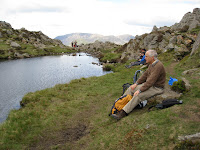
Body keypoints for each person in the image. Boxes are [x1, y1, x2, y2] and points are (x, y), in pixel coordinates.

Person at [111, 50, 166, 120]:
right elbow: (145, 75)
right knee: (131, 88)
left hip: (157, 88)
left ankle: (123, 113)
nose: (144, 58)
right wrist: (136, 84)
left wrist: (140, 90)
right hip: (150, 85)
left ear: (152, 58)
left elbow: (150, 82)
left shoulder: (158, 66)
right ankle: (121, 103)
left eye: (146, 56)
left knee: (138, 96)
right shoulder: (152, 64)